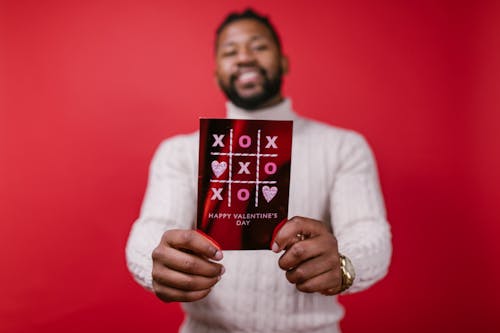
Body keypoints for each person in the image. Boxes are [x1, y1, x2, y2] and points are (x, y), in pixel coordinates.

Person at [126, 8, 392, 333]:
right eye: (230, 51)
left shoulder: (344, 147)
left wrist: (346, 265)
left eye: (258, 46)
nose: (244, 58)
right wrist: (153, 262)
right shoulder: (179, 152)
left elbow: (368, 229)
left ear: (284, 62)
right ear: (217, 73)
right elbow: (152, 228)